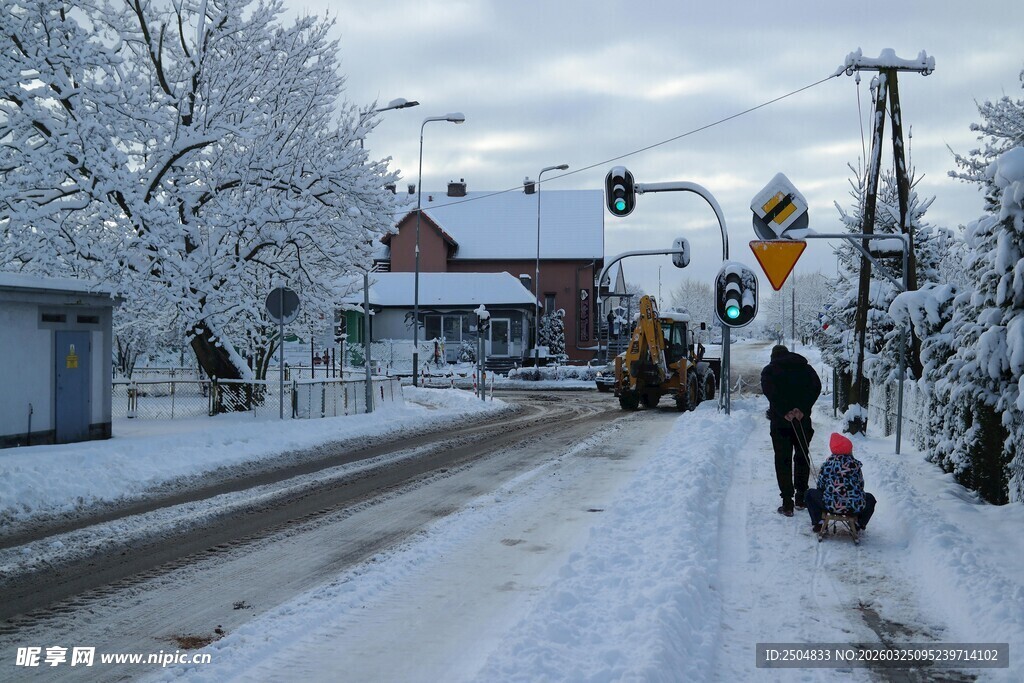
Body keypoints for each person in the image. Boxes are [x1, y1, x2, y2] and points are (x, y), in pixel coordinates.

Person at [760, 344, 822, 516]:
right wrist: (802, 409)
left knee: (783, 460)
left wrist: (784, 411)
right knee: (802, 455)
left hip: (780, 422)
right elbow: (816, 387)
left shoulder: (770, 370)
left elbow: (769, 392)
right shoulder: (805, 368)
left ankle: (787, 502)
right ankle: (802, 497)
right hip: (802, 421)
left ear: (774, 356)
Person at [804, 432, 877, 533]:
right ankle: (859, 523)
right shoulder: (855, 466)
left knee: (809, 494)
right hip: (853, 507)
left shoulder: (828, 465)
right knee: (870, 498)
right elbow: (860, 486)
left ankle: (819, 522)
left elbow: (820, 486)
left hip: (831, 505)